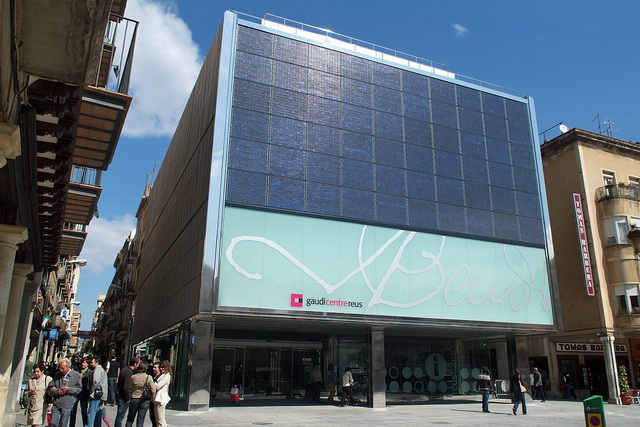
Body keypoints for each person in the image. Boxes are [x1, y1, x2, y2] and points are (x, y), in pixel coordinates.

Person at [47, 358, 82, 427]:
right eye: (60, 368)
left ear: (68, 367)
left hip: (67, 403)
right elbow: (51, 387)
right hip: (57, 402)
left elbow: (79, 389)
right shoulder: (57, 375)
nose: (60, 370)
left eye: (62, 368)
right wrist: (57, 391)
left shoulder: (76, 375)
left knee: (63, 424)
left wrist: (69, 389)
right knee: (53, 423)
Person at [125, 361, 156, 427]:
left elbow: (129, 388)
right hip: (144, 399)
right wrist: (152, 397)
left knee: (130, 419)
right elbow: (153, 389)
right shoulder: (148, 377)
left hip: (134, 398)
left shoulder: (133, 377)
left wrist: (129, 397)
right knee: (140, 420)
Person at [115, 357, 140, 427]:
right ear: (135, 364)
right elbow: (126, 387)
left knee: (119, 416)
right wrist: (128, 398)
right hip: (123, 397)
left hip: (120, 394)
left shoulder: (124, 369)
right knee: (120, 416)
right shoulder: (129, 372)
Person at [69, 358, 90, 427]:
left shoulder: (89, 372)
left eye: (84, 363)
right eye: (82, 363)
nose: (83, 364)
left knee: (84, 411)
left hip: (84, 393)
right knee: (73, 411)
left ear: (87, 364)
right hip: (76, 393)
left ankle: (85, 424)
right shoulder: (77, 371)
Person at [87, 356, 108, 427]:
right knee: (98, 414)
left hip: (96, 394)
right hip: (101, 395)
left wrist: (91, 393)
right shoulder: (102, 370)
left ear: (96, 362)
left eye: (92, 362)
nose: (91, 364)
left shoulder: (97, 370)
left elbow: (95, 382)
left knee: (91, 413)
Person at [153, 361, 172, 427]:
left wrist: (153, 383)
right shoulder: (162, 375)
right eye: (160, 367)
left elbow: (158, 386)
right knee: (157, 419)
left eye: (163, 367)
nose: (161, 369)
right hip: (158, 398)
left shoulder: (167, 376)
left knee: (161, 419)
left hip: (161, 398)